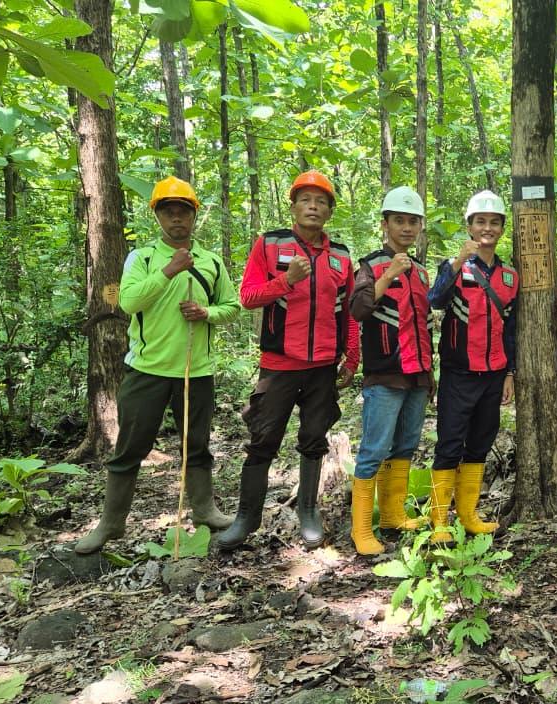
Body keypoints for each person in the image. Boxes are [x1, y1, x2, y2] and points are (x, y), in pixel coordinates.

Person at [75, 177, 241, 554]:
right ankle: (110, 523)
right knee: (129, 447)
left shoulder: (212, 262)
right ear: (158, 217)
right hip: (147, 370)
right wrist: (170, 270)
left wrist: (206, 313)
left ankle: (205, 510)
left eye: (183, 211)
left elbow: (232, 307)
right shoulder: (143, 257)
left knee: (196, 445)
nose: (176, 218)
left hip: (196, 371)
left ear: (194, 216)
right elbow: (129, 302)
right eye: (169, 212)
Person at [217, 170, 360, 550]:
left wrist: (352, 357)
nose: (313, 207)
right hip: (279, 364)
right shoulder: (270, 244)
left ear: (330, 210)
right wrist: (286, 280)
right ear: (293, 206)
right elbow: (248, 297)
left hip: (323, 367)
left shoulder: (341, 256)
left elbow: (348, 311)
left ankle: (308, 511)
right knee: (263, 438)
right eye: (306, 200)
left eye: (321, 201)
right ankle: (246, 518)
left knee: (314, 438)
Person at [426, 190, 518, 541]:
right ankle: (438, 521)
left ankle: (468, 514)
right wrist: (455, 263)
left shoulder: (509, 276)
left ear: (502, 228)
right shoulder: (454, 266)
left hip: (494, 374)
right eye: (481, 222)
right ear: (470, 226)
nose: (487, 228)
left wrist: (510, 372)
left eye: (494, 222)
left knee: (480, 442)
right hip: (459, 372)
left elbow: (511, 328)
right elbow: (435, 300)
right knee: (450, 443)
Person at [348, 186, 434, 555]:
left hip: (418, 374)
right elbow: (357, 309)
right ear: (385, 224)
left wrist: (430, 375)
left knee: (405, 446)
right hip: (384, 374)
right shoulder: (370, 266)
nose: (406, 228)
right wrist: (388, 276)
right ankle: (360, 530)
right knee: (374, 449)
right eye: (399, 220)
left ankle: (392, 515)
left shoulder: (422, 272)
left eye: (413, 221)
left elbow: (425, 324)